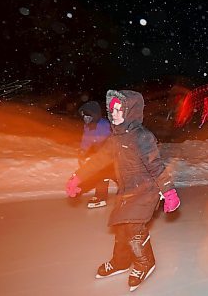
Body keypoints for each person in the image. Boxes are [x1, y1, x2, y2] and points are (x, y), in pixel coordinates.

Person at [65, 90, 181, 292]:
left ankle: (146, 262)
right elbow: (99, 160)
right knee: (121, 227)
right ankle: (120, 261)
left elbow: (156, 166)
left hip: (146, 190)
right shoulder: (115, 138)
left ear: (131, 112)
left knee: (134, 229)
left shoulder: (142, 137)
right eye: (113, 109)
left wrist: (168, 192)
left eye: (120, 109)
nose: (115, 113)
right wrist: (78, 177)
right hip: (127, 190)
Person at [77, 100, 112, 208]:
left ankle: (128, 194)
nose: (85, 119)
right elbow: (87, 139)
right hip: (101, 153)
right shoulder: (88, 126)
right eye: (84, 117)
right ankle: (101, 196)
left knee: (115, 175)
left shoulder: (104, 125)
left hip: (111, 153)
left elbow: (107, 141)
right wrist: (83, 150)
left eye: (88, 116)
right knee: (101, 174)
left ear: (94, 115)